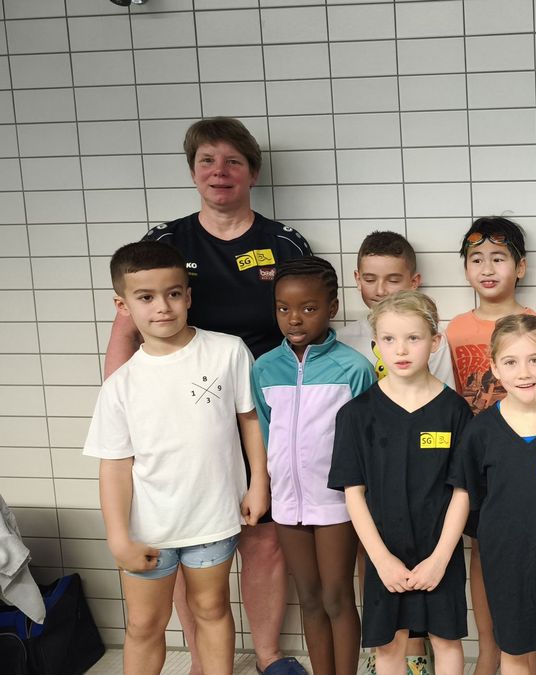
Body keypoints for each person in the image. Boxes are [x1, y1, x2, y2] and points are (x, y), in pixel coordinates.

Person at [103, 117, 311, 675]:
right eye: (207, 161)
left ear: (253, 173)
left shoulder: (282, 242)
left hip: (259, 408)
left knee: (263, 538)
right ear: (193, 171)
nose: (220, 172)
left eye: (233, 161)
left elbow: (306, 320)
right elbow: (125, 329)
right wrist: (120, 406)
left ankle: (267, 655)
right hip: (177, 413)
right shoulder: (166, 242)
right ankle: (202, 661)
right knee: (180, 532)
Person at [85, 241, 269, 675]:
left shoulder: (227, 351)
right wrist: (118, 538)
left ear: (187, 295)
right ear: (123, 305)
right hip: (148, 529)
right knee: (144, 624)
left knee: (212, 610)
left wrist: (259, 483)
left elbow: (250, 420)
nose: (162, 307)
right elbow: (114, 466)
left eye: (172, 293)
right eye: (145, 297)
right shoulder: (121, 385)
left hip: (213, 517)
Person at [329, 291, 473, 675]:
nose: (401, 349)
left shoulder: (455, 411)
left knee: (446, 639)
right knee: (389, 643)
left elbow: (462, 491)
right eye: (389, 339)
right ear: (376, 344)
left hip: (439, 551)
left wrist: (440, 558)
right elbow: (353, 494)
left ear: (435, 341)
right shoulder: (357, 414)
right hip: (384, 553)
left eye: (413, 338)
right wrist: (380, 559)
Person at [444, 216, 536, 675]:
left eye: (498, 258)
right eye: (477, 259)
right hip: (482, 462)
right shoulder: (455, 330)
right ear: (466, 269)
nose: (487, 268)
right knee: (483, 555)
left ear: (522, 267)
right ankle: (490, 651)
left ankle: (531, 652)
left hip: (532, 461)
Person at [251, 257, 374, 675]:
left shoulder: (354, 368)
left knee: (338, 597)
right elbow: (266, 433)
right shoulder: (265, 368)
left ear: (332, 307)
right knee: (309, 598)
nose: (294, 318)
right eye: (283, 308)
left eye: (308, 308)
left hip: (337, 502)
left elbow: (365, 442)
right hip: (288, 503)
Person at [449, 314, 536, 675]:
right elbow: (473, 499)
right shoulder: (480, 433)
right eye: (511, 362)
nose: (524, 373)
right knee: (512, 648)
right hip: (504, 561)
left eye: (535, 360)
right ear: (495, 367)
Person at [340, 230, 454, 388]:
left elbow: (442, 393)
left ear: (414, 282)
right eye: (370, 280)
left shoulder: (429, 335)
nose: (380, 291)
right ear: (358, 280)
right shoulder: (342, 340)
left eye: (393, 280)